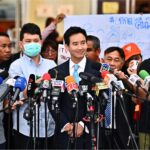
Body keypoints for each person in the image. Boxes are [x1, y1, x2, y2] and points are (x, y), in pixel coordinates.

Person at [48, 26, 100, 149]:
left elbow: (100, 101)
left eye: (83, 43)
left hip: (89, 133)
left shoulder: (98, 70)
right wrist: (66, 124)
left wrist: (82, 124)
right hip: (64, 134)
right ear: (66, 47)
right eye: (75, 44)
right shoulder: (56, 71)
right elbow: (52, 102)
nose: (80, 47)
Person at [9, 23, 56, 149]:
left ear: (41, 42)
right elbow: (20, 94)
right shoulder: (16, 66)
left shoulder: (51, 65)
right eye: (28, 41)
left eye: (35, 40)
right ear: (21, 44)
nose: (32, 44)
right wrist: (36, 84)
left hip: (48, 125)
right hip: (25, 127)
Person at [100, 46, 136, 149]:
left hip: (120, 130)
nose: (112, 63)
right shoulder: (97, 78)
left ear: (122, 63)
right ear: (103, 60)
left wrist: (124, 80)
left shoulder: (126, 81)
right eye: (109, 59)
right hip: (101, 128)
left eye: (116, 60)